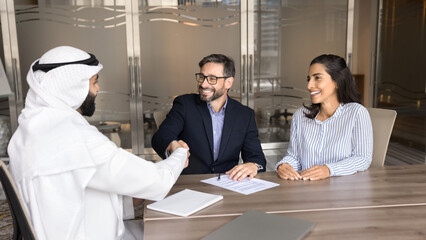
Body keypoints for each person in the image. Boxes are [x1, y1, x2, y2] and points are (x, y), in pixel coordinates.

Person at [7, 46, 190, 240]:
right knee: (177, 232)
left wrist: (132, 199)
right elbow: (158, 180)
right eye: (94, 82)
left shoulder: (27, 131)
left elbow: (74, 191)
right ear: (73, 87)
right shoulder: (77, 139)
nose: (98, 89)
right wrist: (178, 154)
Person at [151, 54, 266, 181]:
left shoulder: (244, 115)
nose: (204, 84)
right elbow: (161, 136)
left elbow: (256, 157)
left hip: (227, 184)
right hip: (190, 184)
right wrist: (173, 145)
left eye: (212, 79)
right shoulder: (184, 104)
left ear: (228, 82)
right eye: (202, 77)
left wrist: (253, 165)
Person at [275, 54, 373, 181]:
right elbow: (294, 157)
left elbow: (362, 158)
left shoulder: (357, 113)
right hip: (307, 190)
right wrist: (284, 165)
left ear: (337, 81)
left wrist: (328, 170)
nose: (309, 86)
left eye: (317, 78)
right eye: (309, 79)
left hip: (343, 192)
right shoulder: (300, 116)